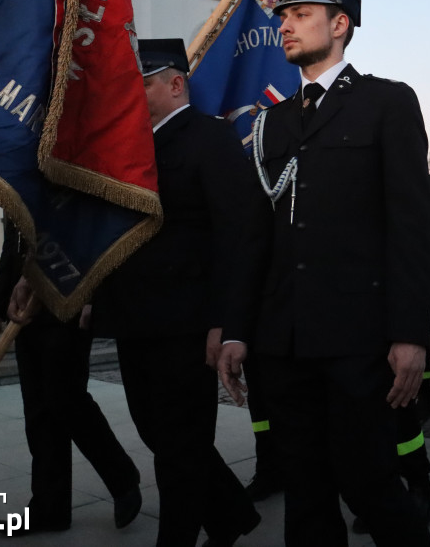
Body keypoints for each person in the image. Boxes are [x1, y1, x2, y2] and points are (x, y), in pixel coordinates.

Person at [219, 0, 430, 547]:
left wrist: (411, 334)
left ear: (340, 24)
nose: (285, 26)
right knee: (306, 493)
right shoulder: (272, 123)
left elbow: (410, 227)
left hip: (356, 339)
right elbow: (254, 237)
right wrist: (237, 328)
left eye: (300, 15)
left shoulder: (385, 102)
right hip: (283, 342)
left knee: (370, 483)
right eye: (283, 16)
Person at [89, 38, 267, 547]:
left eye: (140, 83)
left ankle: (180, 537)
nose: (131, 94)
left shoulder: (209, 139)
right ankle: (231, 513)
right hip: (137, 319)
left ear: (174, 84)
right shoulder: (133, 145)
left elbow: (239, 235)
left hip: (188, 323)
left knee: (180, 447)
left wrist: (225, 321)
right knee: (156, 432)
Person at [0, 217, 141, 533]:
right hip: (25, 308)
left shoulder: (71, 171)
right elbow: (13, 241)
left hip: (67, 299)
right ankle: (49, 507)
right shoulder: (21, 173)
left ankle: (122, 477)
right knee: (39, 409)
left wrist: (95, 294)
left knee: (66, 399)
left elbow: (91, 232)